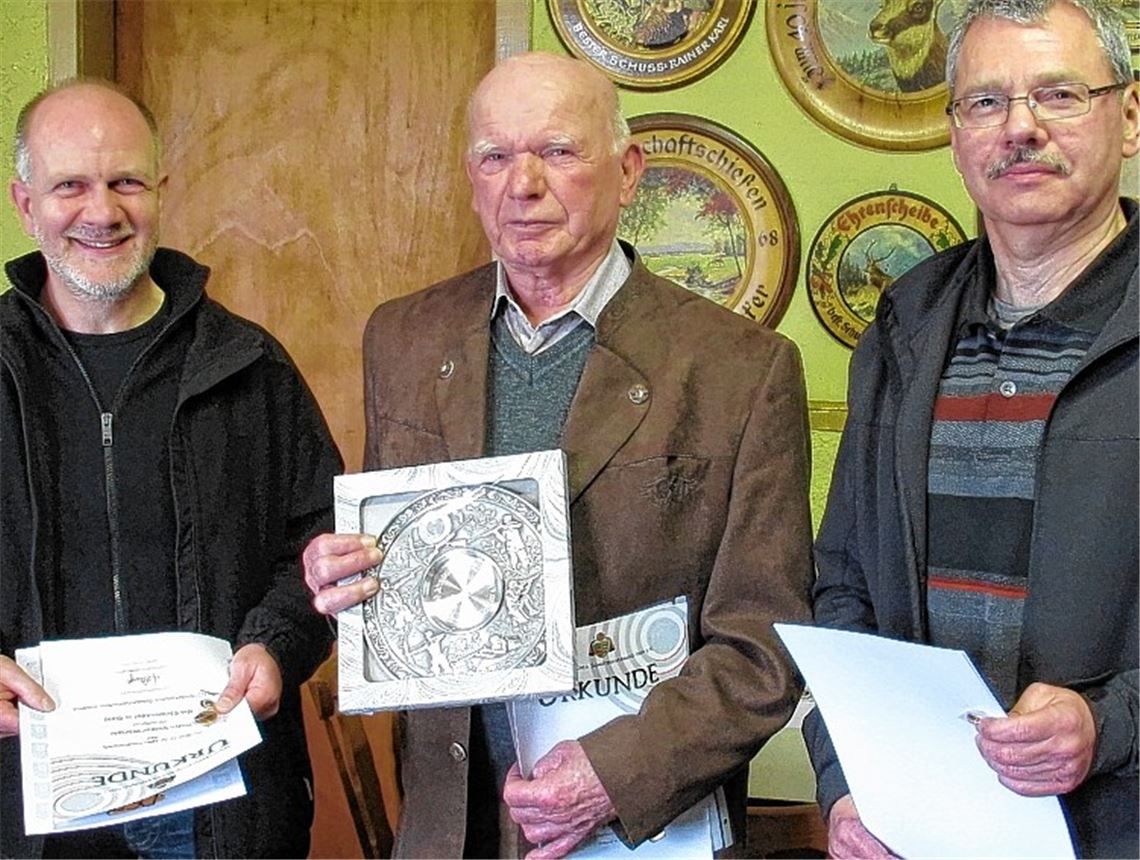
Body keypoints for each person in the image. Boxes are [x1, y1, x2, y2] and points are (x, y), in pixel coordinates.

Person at [303, 52, 814, 859]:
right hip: (451, 826)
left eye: (559, 151)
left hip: (644, 826)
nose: (523, 183)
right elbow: (402, 581)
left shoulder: (741, 370)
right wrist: (346, 580)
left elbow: (767, 647)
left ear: (628, 170)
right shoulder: (401, 338)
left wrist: (617, 774)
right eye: (495, 156)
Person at [803, 1, 1139, 857]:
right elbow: (843, 589)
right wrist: (847, 785)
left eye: (1059, 94)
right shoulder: (902, 328)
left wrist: (1110, 725)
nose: (1020, 128)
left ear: (1128, 117)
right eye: (986, 102)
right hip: (924, 832)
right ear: (955, 137)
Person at [0, 79, 342, 858]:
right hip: (25, 806)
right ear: (26, 203)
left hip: (214, 806)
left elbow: (322, 547)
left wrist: (277, 646)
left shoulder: (248, 365)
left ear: (161, 190)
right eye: (70, 186)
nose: (102, 212)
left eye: (125, 181)